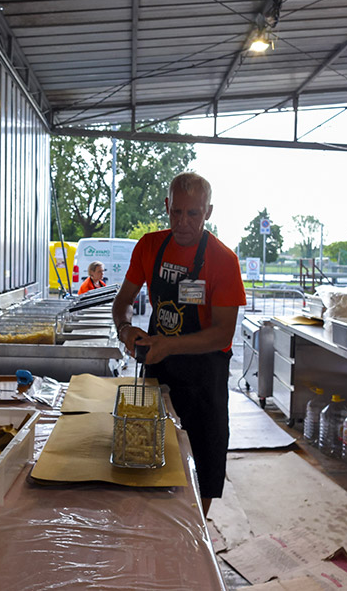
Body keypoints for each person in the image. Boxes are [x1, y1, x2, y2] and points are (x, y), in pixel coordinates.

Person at [112, 172, 246, 517]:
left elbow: (223, 333)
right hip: (159, 368)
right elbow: (122, 301)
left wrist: (169, 345)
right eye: (176, 212)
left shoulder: (223, 260)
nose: (183, 222)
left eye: (193, 214)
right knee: (149, 448)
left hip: (205, 375)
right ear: (167, 206)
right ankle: (153, 524)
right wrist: (125, 329)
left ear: (208, 212)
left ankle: (196, 528)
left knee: (205, 459)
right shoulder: (149, 246)